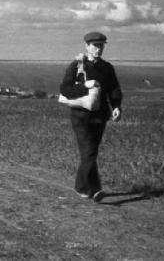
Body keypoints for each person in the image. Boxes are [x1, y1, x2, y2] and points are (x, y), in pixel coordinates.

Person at [60, 31, 122, 203]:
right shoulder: (77, 66)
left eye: (101, 45)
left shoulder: (107, 68)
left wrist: (116, 106)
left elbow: (114, 89)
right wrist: (85, 86)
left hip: (100, 116)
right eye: (95, 45)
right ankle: (94, 189)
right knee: (89, 151)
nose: (98, 49)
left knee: (90, 153)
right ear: (87, 46)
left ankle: (82, 187)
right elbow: (65, 89)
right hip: (80, 116)